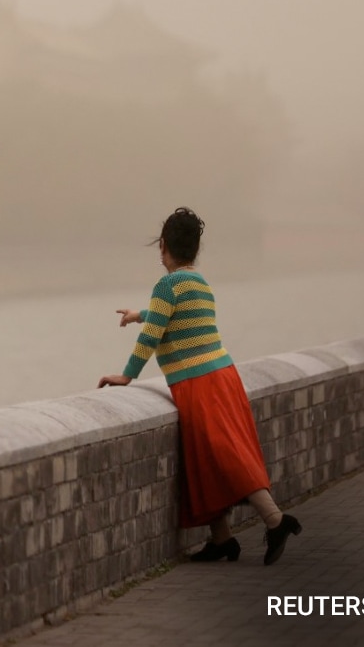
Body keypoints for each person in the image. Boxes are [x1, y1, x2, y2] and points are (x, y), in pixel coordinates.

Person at [97, 207, 302, 565]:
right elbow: (168, 315)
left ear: (163, 246)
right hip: (223, 374)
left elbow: (153, 334)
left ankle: (275, 520)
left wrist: (127, 375)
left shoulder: (166, 284)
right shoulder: (199, 283)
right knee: (206, 459)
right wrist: (139, 314)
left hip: (199, 381)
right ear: (195, 248)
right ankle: (221, 539)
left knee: (227, 454)